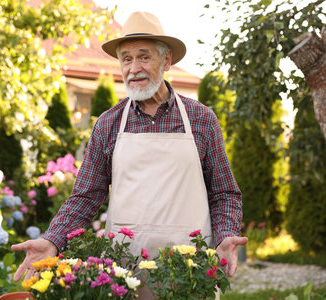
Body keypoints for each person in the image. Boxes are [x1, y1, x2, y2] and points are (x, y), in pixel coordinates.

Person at [12, 10, 248, 296]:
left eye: (144, 57)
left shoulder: (201, 119)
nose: (133, 68)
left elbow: (224, 193)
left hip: (191, 272)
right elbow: (85, 196)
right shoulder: (108, 124)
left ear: (167, 60)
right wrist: (52, 240)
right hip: (125, 272)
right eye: (126, 59)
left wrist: (225, 236)